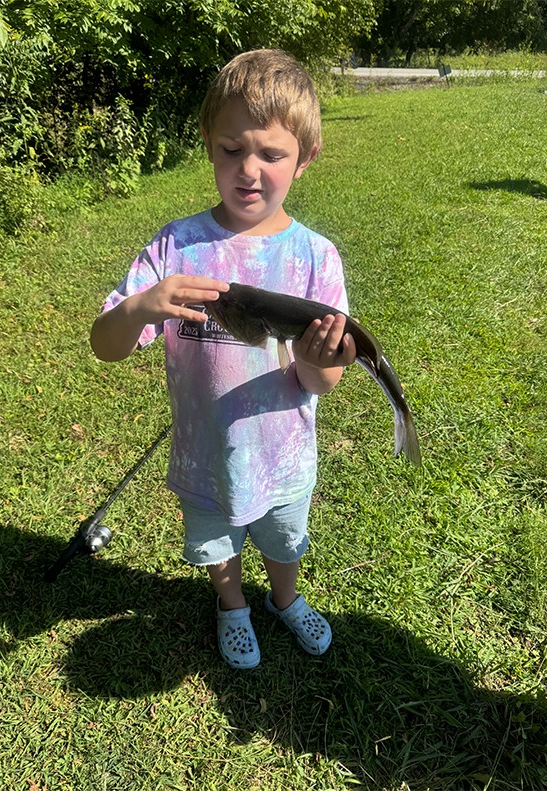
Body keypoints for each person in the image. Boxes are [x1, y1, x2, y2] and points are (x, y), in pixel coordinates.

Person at [90, 49, 356, 669]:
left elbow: (326, 379)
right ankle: (231, 602)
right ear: (209, 145)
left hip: (285, 452)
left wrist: (319, 358)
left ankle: (284, 600)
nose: (250, 171)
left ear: (305, 157)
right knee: (217, 542)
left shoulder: (316, 258)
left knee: (284, 539)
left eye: (271, 153)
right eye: (232, 149)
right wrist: (140, 307)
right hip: (204, 450)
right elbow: (105, 345)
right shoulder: (176, 245)